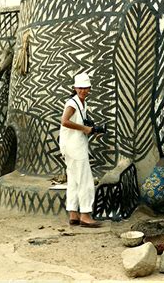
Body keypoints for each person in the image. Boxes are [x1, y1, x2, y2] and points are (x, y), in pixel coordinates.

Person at [59, 72, 101, 228]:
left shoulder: (82, 103)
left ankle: (73, 214)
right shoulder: (72, 103)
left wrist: (89, 130)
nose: (83, 91)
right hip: (74, 146)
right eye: (80, 88)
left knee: (74, 179)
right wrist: (84, 128)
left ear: (89, 88)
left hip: (72, 145)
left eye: (85, 88)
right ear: (75, 88)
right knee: (85, 180)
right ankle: (85, 214)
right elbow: (64, 121)